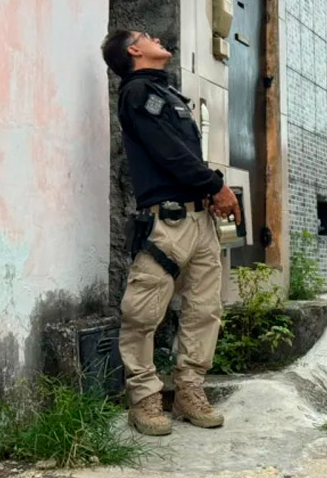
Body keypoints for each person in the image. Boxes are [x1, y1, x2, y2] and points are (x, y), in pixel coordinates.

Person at [102, 29, 242, 436]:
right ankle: (144, 398)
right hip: (166, 224)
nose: (156, 39)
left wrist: (208, 193)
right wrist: (215, 184)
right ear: (134, 50)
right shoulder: (137, 93)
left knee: (204, 310)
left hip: (200, 222)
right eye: (144, 36)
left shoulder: (169, 94)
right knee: (142, 312)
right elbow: (168, 152)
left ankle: (189, 391)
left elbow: (183, 157)